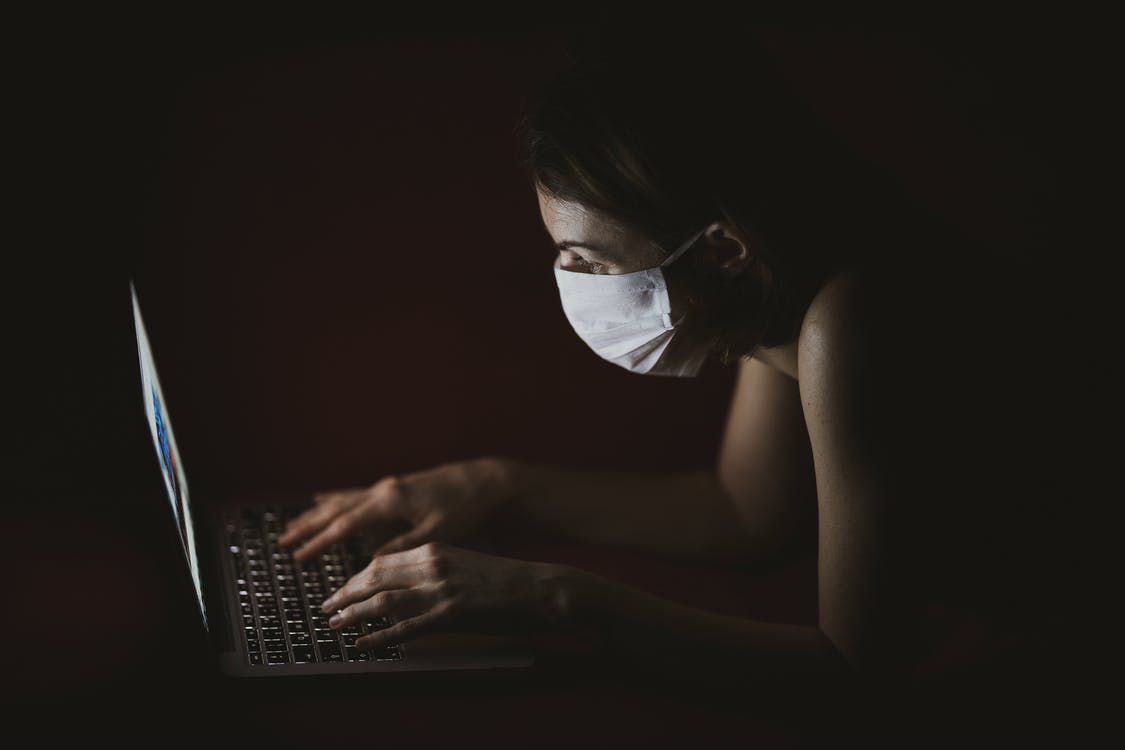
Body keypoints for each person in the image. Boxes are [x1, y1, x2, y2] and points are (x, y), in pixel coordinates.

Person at [277, 25, 1077, 720]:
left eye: (586, 260)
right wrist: (494, 484)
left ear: (723, 248)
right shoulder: (782, 292)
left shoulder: (849, 321)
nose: (571, 283)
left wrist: (553, 595)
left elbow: (853, 672)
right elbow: (743, 512)